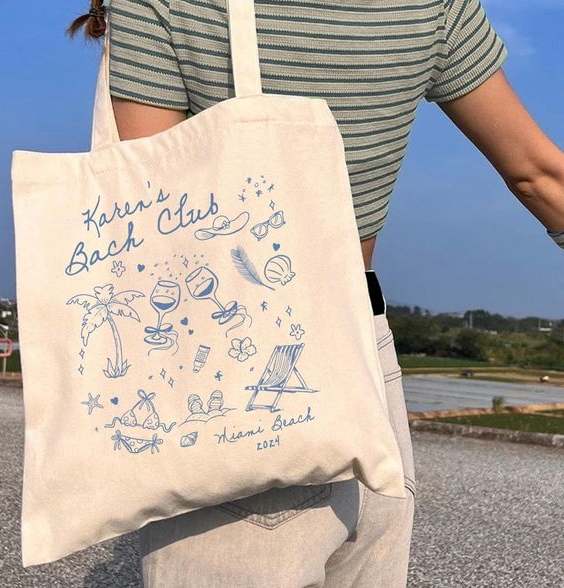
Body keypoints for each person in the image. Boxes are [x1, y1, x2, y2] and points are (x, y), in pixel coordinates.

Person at [68, 1, 564, 586]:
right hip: (362, 347)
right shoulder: (434, 7)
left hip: (231, 363)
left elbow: (152, 210)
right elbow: (538, 174)